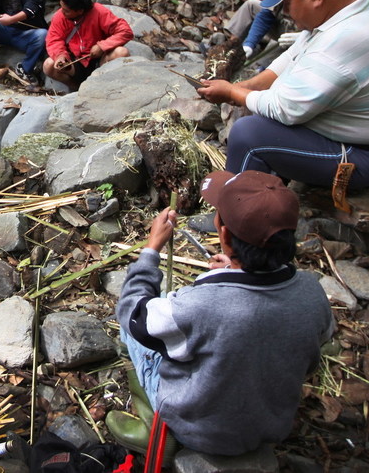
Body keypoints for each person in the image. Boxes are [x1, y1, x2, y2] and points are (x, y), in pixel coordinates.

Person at [112, 170, 334, 457]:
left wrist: (151, 250)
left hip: (199, 431)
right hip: (271, 427)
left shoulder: (200, 305)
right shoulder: (311, 292)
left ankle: (153, 425)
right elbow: (312, 351)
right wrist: (236, 267)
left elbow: (132, 312)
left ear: (224, 234)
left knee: (135, 326)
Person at [197, 0, 369, 191]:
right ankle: (269, 192)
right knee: (255, 109)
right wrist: (243, 88)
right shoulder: (342, 16)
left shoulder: (347, 38)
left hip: (361, 155)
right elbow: (288, 59)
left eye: (286, 4)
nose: (284, 13)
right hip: (341, 138)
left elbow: (285, 109)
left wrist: (233, 94)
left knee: (248, 134)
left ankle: (233, 219)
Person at [42, 0, 132, 91]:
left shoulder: (99, 12)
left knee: (121, 52)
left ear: (80, 11)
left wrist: (102, 46)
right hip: (74, 63)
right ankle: (75, 88)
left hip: (100, 61)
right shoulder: (60, 17)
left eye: (66, 10)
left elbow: (125, 31)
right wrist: (60, 56)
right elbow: (53, 40)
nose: (62, 12)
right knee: (48, 65)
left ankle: (101, 87)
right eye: (62, 7)